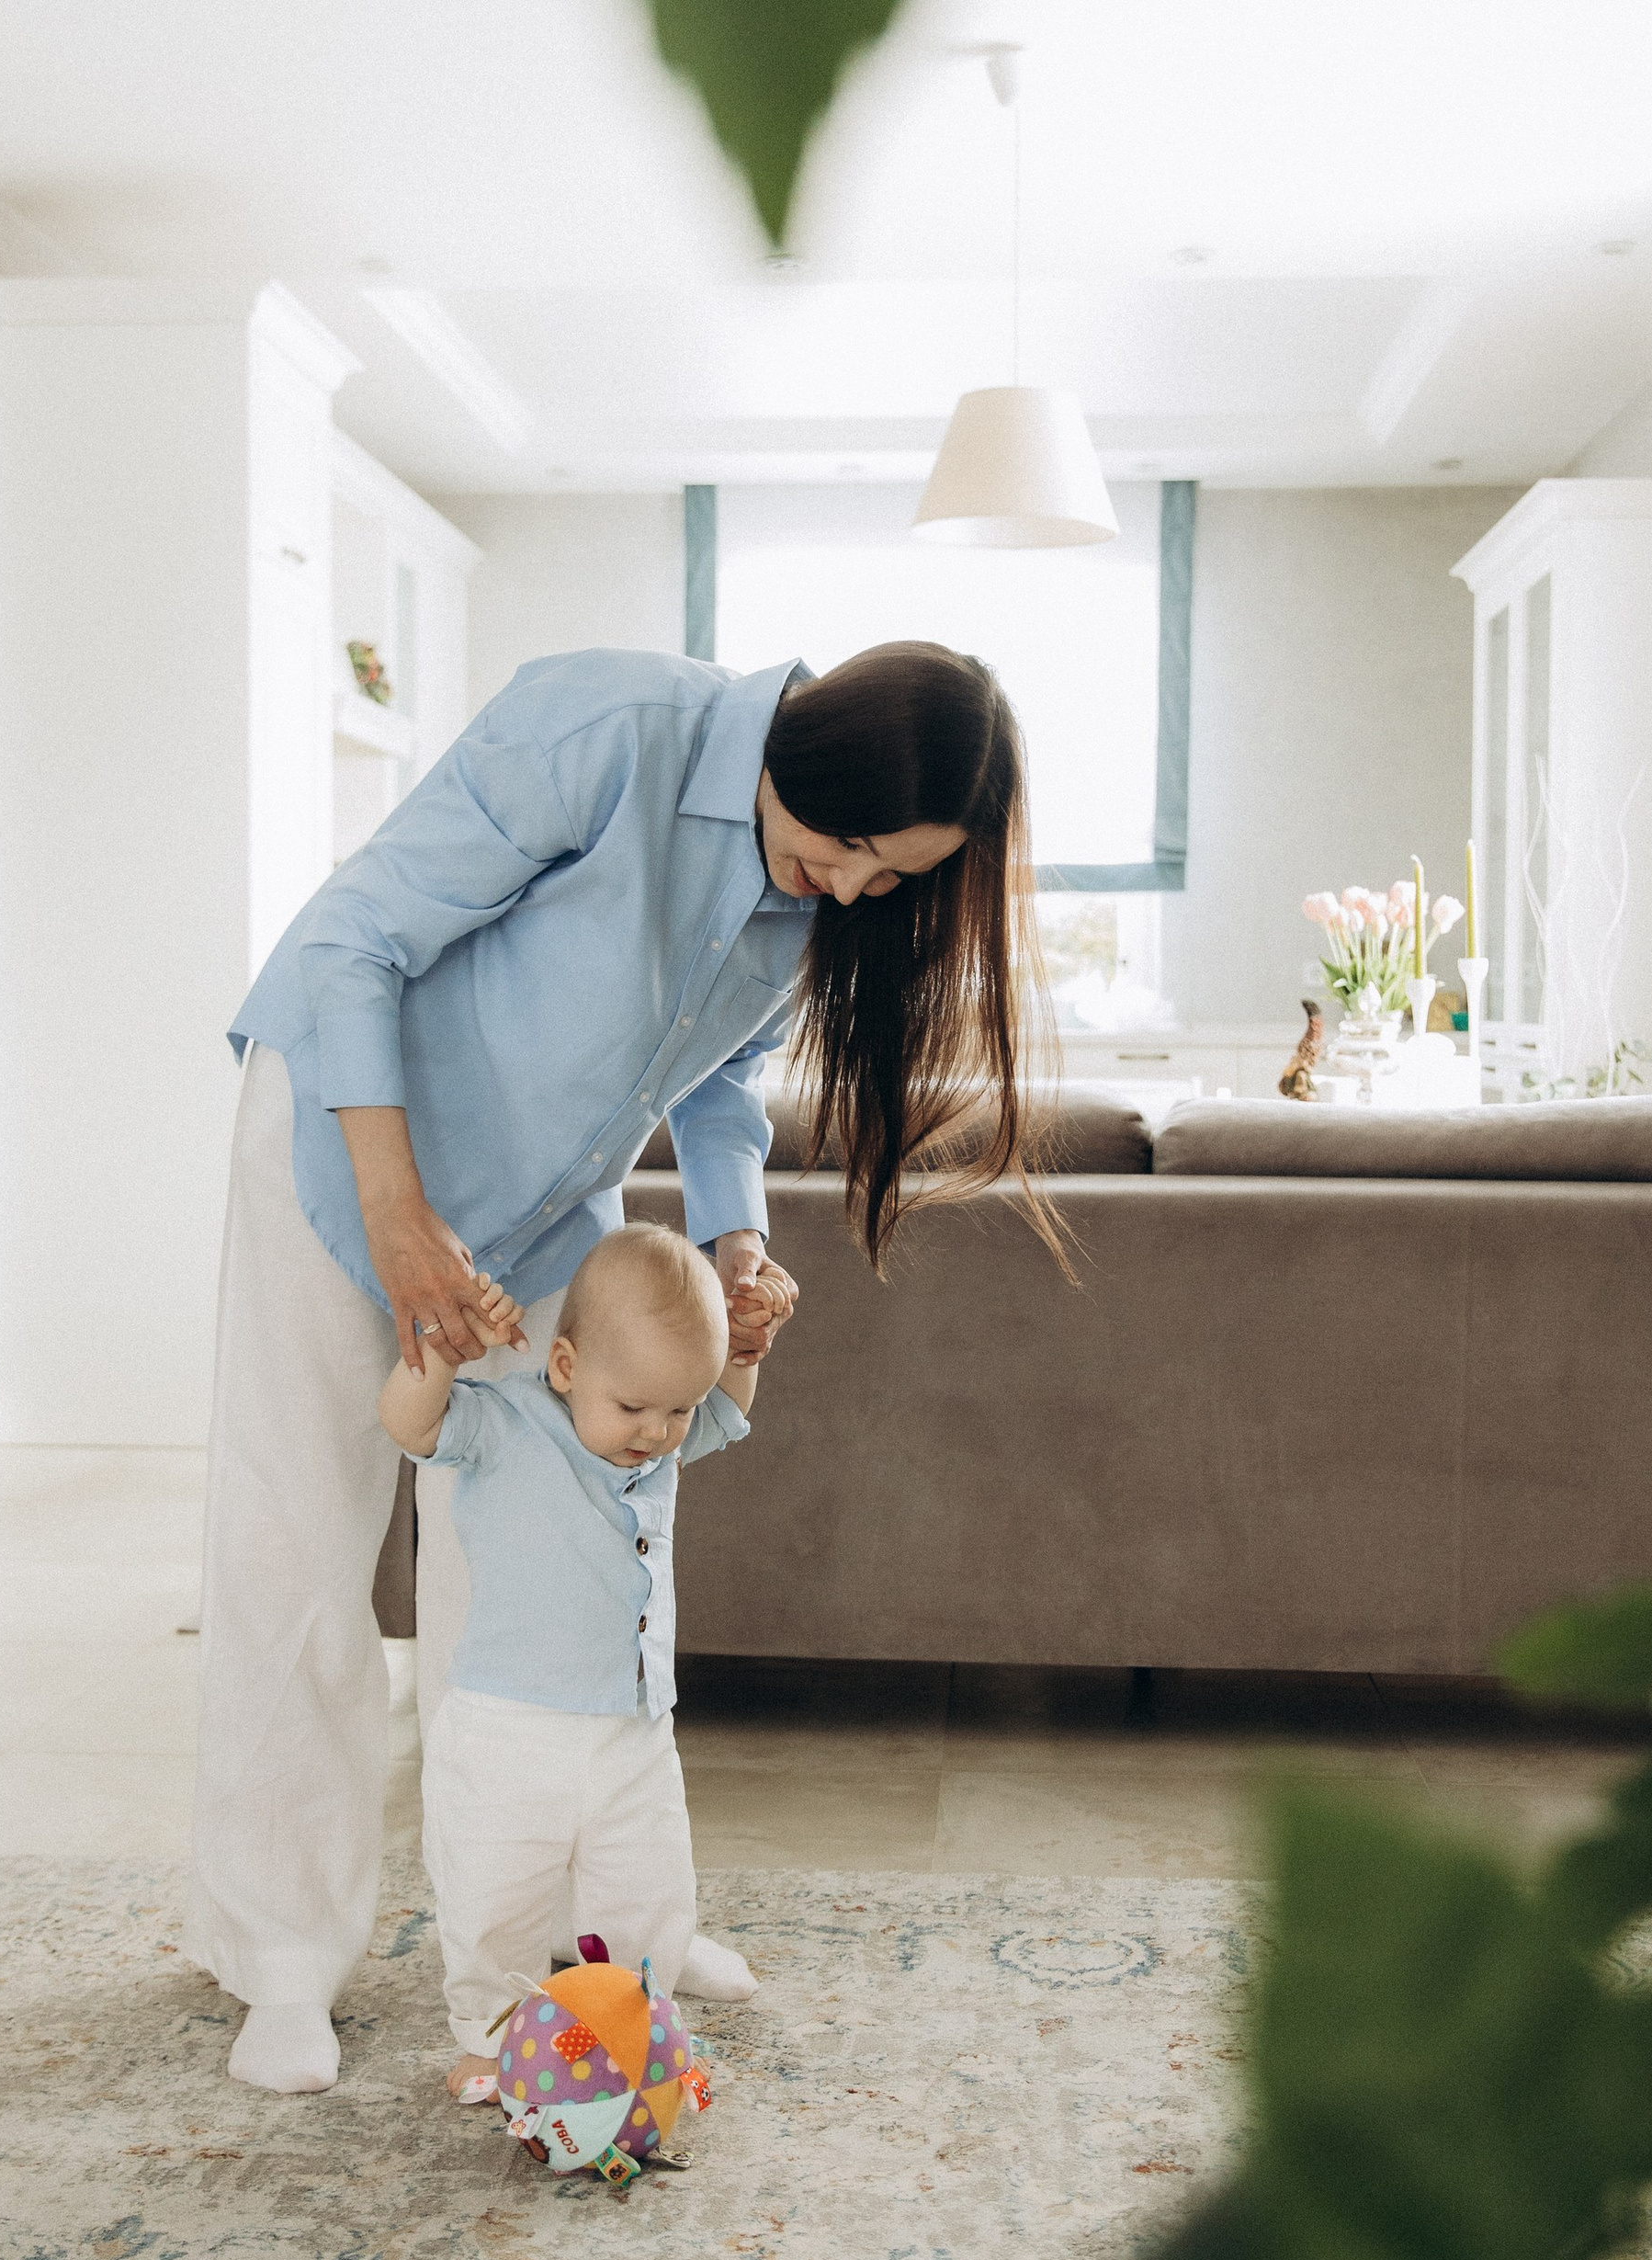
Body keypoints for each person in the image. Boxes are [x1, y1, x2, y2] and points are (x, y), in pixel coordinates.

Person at [190, 638, 1054, 2094]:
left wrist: (733, 1244)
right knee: (302, 1538)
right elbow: (353, 944)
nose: (850, 892)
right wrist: (399, 1214)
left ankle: (595, 1941)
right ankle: (283, 1949)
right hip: (350, 1144)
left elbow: (717, 1079)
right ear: (803, 751)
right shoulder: (604, 728)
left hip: (538, 1203)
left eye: (892, 880)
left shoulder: (811, 896)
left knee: (559, 1548)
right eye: (843, 849)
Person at [379, 1221, 759, 2095]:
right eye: (636, 1409)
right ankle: (489, 2033)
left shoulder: (657, 1435)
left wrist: (746, 1344)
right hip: (509, 1730)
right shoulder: (506, 1424)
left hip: (632, 1730)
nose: (660, 1434)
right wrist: (445, 1340)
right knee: (495, 1896)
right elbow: (405, 1420)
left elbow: (731, 1407)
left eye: (677, 1410)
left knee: (649, 1885)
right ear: (565, 1367)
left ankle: (633, 2017)